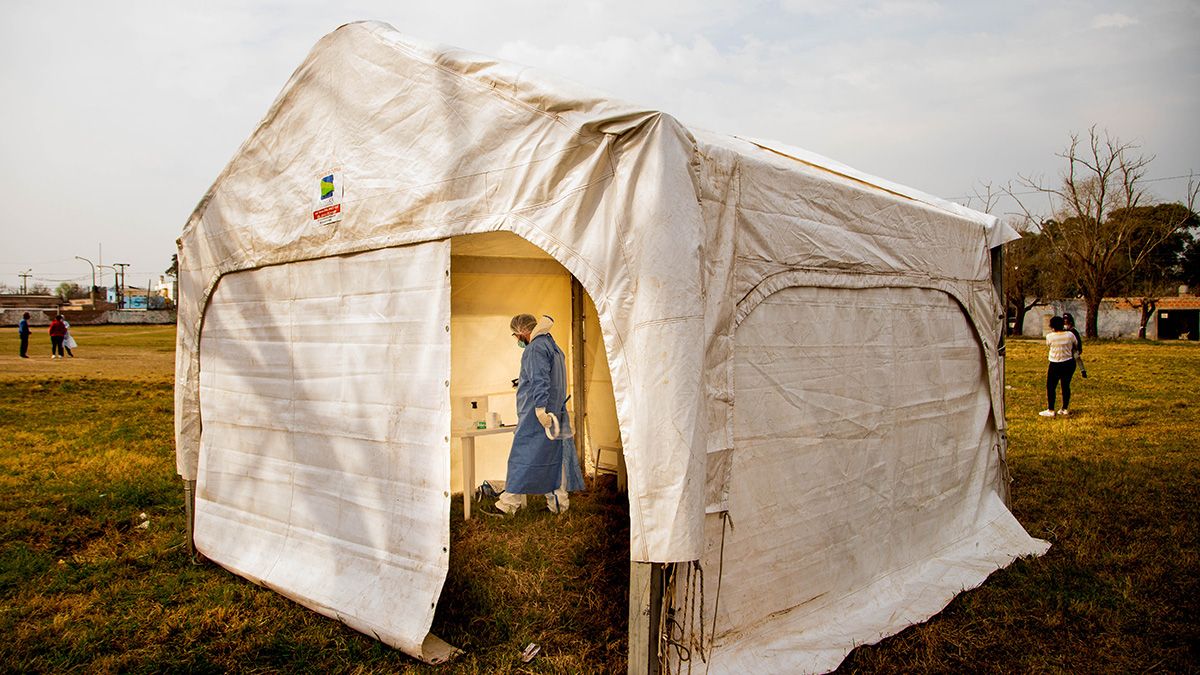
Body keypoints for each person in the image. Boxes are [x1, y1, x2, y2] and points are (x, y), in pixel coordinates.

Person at [489, 313, 585, 515]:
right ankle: (558, 504)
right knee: (553, 459)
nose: (517, 340)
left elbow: (540, 380)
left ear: (522, 331)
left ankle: (507, 505)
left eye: (516, 335)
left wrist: (540, 409)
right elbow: (549, 378)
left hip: (537, 416)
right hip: (554, 413)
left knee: (522, 456)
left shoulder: (534, 348)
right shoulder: (553, 346)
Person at [1041, 315, 1078, 417]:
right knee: (1065, 386)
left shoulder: (1050, 336)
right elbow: (1076, 344)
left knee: (1051, 386)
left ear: (1052, 326)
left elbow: (1048, 345)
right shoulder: (1070, 335)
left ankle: (1051, 409)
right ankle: (1064, 408)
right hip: (1068, 363)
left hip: (1055, 363)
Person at [1062, 312, 1086, 378]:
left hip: (1073, 348)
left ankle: (1083, 370)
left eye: (1066, 319)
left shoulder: (1073, 330)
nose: (1065, 320)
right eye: (1064, 319)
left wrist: (1079, 348)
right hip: (1065, 348)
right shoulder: (1062, 329)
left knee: (1077, 357)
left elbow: (1078, 340)